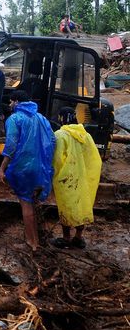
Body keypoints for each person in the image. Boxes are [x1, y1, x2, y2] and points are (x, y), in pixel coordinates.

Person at [0, 90, 55, 251]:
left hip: (23, 167)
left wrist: (2, 168)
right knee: (33, 203)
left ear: (16, 102)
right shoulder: (42, 118)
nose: (10, 105)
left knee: (26, 205)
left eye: (11, 102)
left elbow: (11, 145)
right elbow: (52, 141)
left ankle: (31, 242)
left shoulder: (15, 119)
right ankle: (36, 238)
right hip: (41, 168)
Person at [50, 107, 101, 249]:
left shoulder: (60, 135)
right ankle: (78, 237)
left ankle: (66, 238)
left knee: (65, 206)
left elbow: (57, 158)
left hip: (67, 178)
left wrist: (53, 174)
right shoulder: (86, 135)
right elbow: (94, 158)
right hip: (84, 177)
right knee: (82, 205)